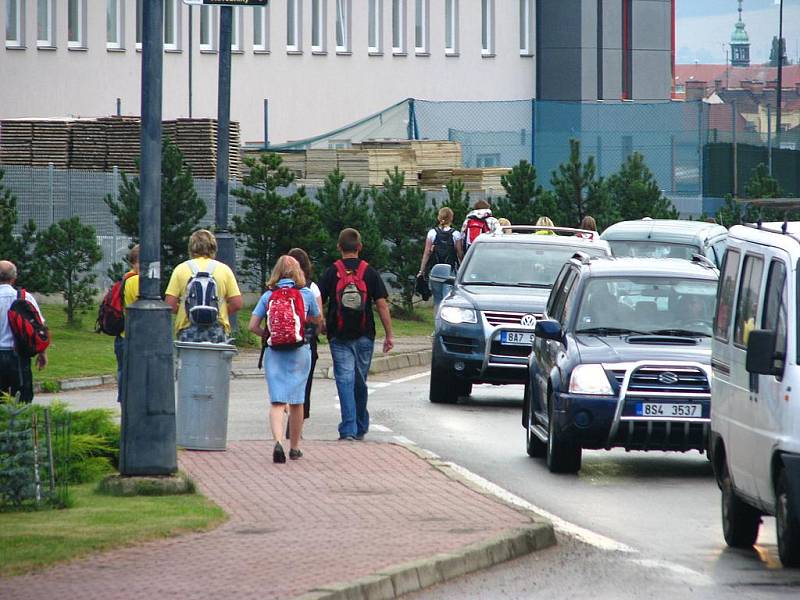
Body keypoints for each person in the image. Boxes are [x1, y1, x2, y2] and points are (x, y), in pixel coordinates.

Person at [319, 228, 394, 441]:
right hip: (364, 335)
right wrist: (389, 335)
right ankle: (360, 425)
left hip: (339, 335)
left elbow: (318, 301)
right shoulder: (369, 272)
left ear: (339, 248)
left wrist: (322, 322)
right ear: (359, 247)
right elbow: (382, 305)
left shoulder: (331, 272)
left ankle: (349, 429)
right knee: (359, 381)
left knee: (344, 380)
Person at [249, 256, 321, 463]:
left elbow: (252, 325)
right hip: (300, 350)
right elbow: (317, 319)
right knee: (298, 401)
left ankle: (278, 441)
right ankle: (295, 447)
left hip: (274, 352)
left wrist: (269, 335)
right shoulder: (305, 294)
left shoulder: (268, 296)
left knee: (277, 401)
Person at [165, 229, 243, 342]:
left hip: (187, 329)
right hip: (217, 330)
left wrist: (190, 310)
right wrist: (216, 311)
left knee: (187, 359)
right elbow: (237, 303)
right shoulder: (224, 270)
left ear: (191, 247)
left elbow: (170, 304)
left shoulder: (180, 269)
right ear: (214, 247)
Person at [0, 260, 47, 403]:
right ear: (14, 278)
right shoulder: (25, 297)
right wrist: (42, 353)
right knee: (22, 401)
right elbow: (39, 327)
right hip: (19, 356)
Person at [287, 247, 324, 428]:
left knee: (284, 386)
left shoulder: (276, 287)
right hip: (304, 343)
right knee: (303, 387)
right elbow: (319, 321)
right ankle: (296, 431)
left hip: (280, 344)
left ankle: (283, 418)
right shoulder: (312, 288)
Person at [418, 207, 463, 313]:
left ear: (439, 218)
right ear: (451, 218)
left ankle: (437, 323)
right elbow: (460, 254)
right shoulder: (456, 234)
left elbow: (427, 253)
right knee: (447, 299)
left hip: (435, 271)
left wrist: (422, 270)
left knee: (437, 299)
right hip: (449, 271)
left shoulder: (432, 233)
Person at [115, 245, 140, 402]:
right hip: (135, 338)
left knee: (123, 373)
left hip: (123, 336)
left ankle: (126, 412)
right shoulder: (137, 281)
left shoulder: (126, 278)